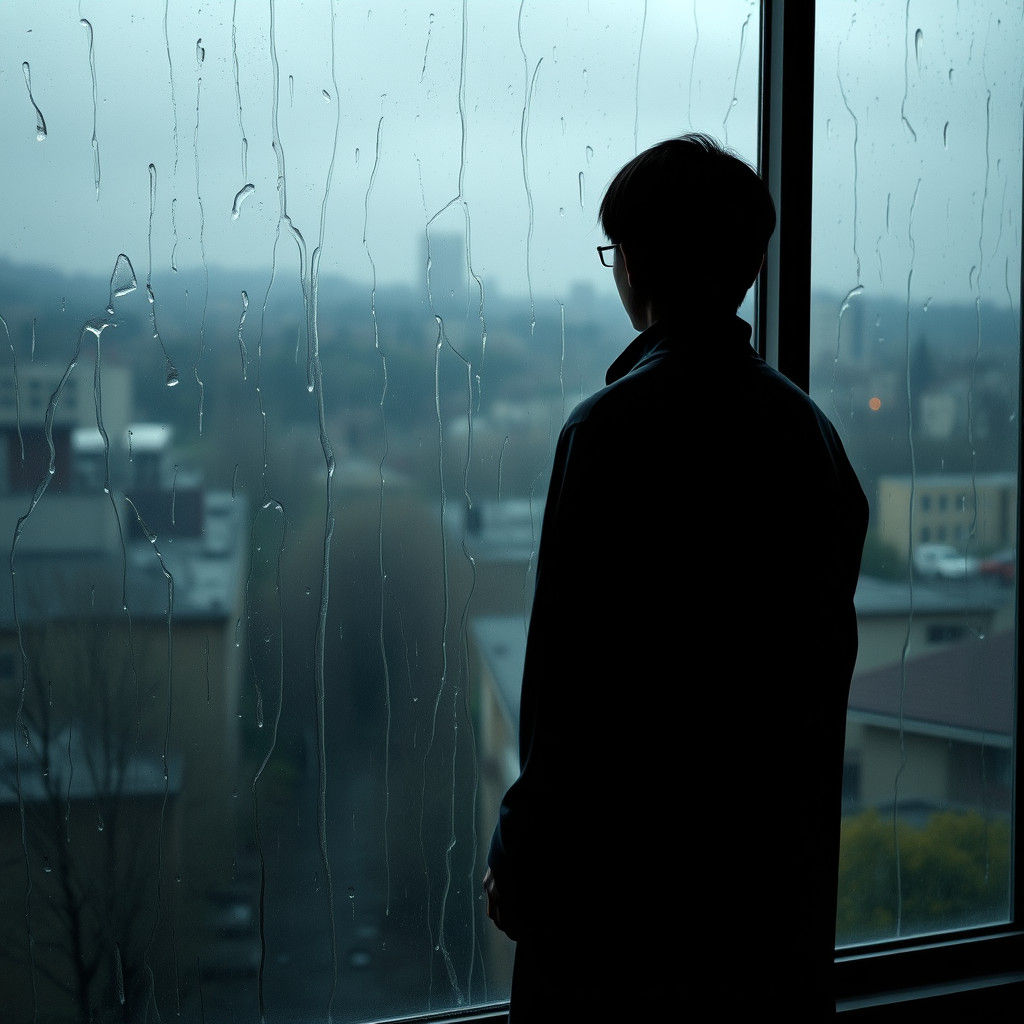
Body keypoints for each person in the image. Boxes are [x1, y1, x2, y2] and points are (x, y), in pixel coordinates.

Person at [483, 134, 868, 1020]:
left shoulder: (610, 434)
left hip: (618, 921)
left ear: (639, 264)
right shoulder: (812, 440)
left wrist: (521, 855)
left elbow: (570, 694)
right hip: (766, 912)